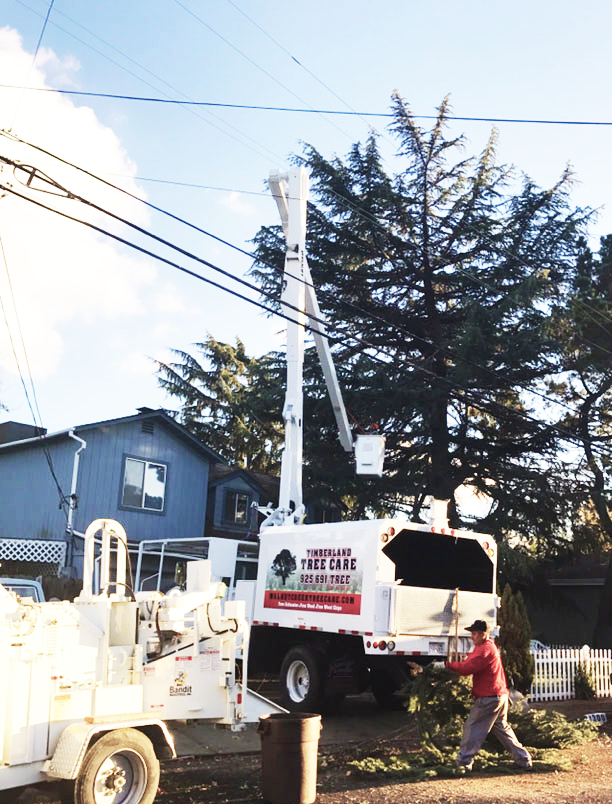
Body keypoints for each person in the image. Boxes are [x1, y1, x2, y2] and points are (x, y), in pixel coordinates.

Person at [432, 619, 532, 771]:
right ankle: (523, 760)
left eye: (474, 634)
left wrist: (445, 665)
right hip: (500, 696)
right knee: (503, 729)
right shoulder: (488, 646)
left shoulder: (484, 649)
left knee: (473, 728)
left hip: (489, 698)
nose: (472, 637)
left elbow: (467, 667)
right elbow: (472, 661)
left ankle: (463, 764)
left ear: (483, 634)